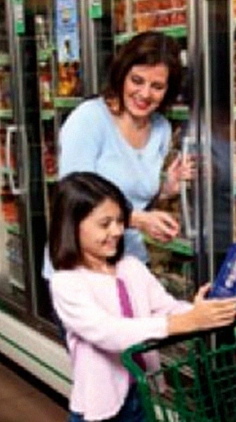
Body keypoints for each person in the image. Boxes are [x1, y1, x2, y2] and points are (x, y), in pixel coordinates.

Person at [49, 172, 236, 422]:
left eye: (120, 220)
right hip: (100, 415)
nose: (117, 231)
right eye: (105, 223)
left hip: (139, 399)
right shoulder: (67, 283)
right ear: (72, 226)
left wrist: (223, 308)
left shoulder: (131, 267)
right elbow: (109, 332)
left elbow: (168, 309)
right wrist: (185, 321)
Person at [52, 30, 189, 270]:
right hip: (83, 267)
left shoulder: (161, 129)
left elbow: (133, 198)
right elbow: (74, 201)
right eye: (137, 81)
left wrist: (166, 188)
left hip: (130, 264)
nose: (145, 94)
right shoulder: (90, 119)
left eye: (157, 86)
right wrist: (138, 220)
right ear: (122, 75)